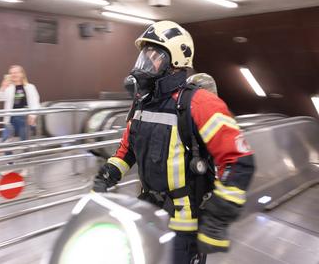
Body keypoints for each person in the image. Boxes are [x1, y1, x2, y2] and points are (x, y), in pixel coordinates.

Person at [92, 21, 255, 264]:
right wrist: (107, 175)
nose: (144, 64)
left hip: (184, 226)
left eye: (153, 56)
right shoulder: (141, 104)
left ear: (175, 63)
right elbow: (128, 151)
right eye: (143, 56)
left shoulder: (200, 104)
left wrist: (218, 218)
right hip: (147, 213)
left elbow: (238, 161)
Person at [0, 65, 40, 145]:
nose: (14, 75)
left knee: (25, 142)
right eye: (11, 73)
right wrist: (3, 87)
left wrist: (33, 115)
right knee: (5, 141)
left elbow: (35, 103)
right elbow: (0, 97)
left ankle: (26, 156)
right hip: (10, 118)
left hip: (24, 118)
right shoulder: (9, 87)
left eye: (16, 72)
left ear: (22, 74)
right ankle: (8, 157)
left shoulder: (30, 87)